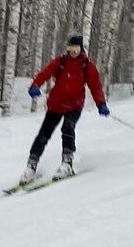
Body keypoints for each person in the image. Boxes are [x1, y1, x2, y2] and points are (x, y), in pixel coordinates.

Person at [21, 33, 109, 183]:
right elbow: (45, 73)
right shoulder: (60, 62)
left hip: (74, 105)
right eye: (70, 48)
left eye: (75, 48)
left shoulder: (87, 66)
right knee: (44, 133)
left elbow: (95, 86)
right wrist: (35, 85)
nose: (72, 51)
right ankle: (31, 165)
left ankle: (67, 163)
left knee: (68, 128)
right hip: (56, 103)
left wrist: (101, 104)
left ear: (81, 49)